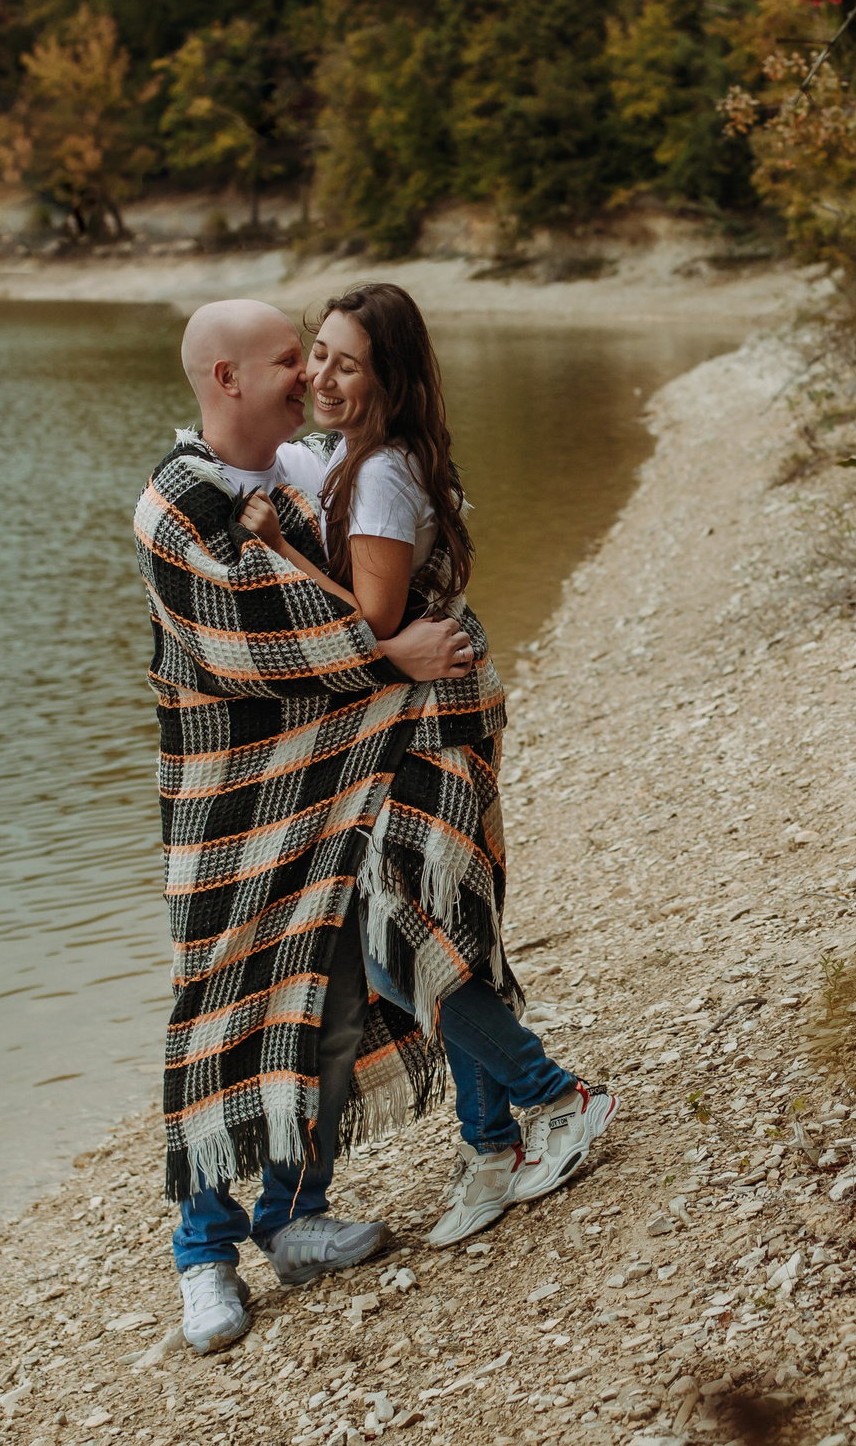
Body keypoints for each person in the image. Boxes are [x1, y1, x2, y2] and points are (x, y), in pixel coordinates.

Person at [134, 298, 485, 1358]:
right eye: (290, 359)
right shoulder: (173, 502)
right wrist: (396, 656)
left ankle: (294, 1212)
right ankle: (204, 1255)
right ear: (227, 378)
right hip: (227, 803)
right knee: (221, 1010)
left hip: (326, 794)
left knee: (327, 1007)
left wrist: (405, 640)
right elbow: (255, 641)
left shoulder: (299, 471)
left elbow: (357, 585)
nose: (309, 375)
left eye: (313, 355)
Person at [284, 281, 616, 1253]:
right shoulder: (353, 458)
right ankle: (489, 1144)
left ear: (385, 377)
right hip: (418, 718)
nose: (321, 374)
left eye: (346, 361)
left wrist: (272, 551)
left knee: (401, 942)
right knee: (446, 931)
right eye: (316, 352)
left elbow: (372, 623)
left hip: (425, 722)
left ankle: (557, 1095)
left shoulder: (381, 474)